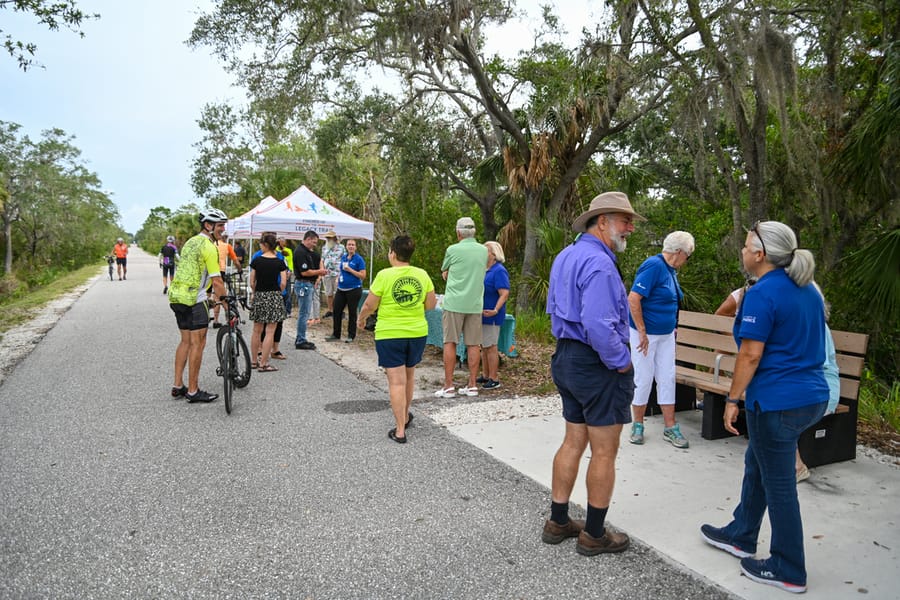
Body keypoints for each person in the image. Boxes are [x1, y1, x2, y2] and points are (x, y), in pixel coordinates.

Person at [700, 220, 828, 594]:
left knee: (779, 484)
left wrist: (732, 399)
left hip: (778, 402)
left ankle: (788, 567)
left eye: (745, 246)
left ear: (760, 254)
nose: (741, 251)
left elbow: (751, 355)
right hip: (809, 396)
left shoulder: (762, 293)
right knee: (757, 462)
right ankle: (741, 534)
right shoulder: (808, 290)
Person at [543, 191, 642, 556]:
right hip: (597, 364)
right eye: (624, 220)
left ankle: (558, 521)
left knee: (572, 440)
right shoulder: (600, 264)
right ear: (602, 222)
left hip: (567, 358)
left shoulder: (567, 255)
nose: (630, 228)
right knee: (604, 452)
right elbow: (599, 325)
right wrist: (621, 362)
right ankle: (594, 534)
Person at [357, 235, 436, 443]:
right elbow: (431, 305)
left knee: (396, 382)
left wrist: (361, 318)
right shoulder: (422, 274)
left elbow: (369, 305)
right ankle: (406, 415)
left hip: (390, 334)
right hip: (416, 333)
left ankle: (400, 430)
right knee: (409, 377)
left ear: (392, 253)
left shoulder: (384, 275)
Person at [628, 231, 695, 449]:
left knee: (667, 376)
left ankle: (670, 426)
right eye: (688, 255)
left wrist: (672, 326)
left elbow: (671, 300)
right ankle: (637, 423)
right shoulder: (654, 266)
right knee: (644, 377)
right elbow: (634, 298)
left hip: (665, 335)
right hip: (646, 335)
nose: (687, 260)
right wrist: (642, 332)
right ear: (679, 252)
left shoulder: (670, 270)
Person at [167, 208, 229, 403]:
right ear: (208, 226)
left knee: (185, 341)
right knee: (198, 344)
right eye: (220, 226)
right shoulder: (210, 247)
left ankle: (178, 386)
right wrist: (227, 305)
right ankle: (193, 391)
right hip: (194, 299)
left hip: (177, 297)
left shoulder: (190, 242)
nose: (223, 229)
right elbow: (217, 281)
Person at [434, 217, 489, 398]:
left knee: (450, 342)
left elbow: (444, 269)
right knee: (474, 344)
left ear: (458, 233)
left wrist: (448, 274)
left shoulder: (453, 249)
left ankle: (449, 386)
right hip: (474, 303)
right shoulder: (483, 251)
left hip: (454, 303)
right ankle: (472, 384)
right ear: (474, 232)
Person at [249, 232, 288, 372]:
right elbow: (283, 282)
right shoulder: (279, 261)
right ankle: (264, 363)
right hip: (274, 296)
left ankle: (253, 361)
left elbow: (252, 281)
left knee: (256, 330)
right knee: (270, 331)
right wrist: (277, 291)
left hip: (259, 295)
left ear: (265, 245)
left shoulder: (257, 260)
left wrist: (256, 291)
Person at [478, 240, 510, 390]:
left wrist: (496, 309)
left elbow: (504, 293)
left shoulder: (499, 271)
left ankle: (494, 377)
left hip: (492, 314)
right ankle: (485, 374)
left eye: (486, 251)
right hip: (482, 313)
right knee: (484, 346)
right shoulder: (484, 270)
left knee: (491, 346)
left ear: (494, 254)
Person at [293, 230, 327, 350]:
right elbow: (305, 272)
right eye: (313, 242)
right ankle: (300, 339)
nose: (314, 245)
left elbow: (320, 260)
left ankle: (301, 337)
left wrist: (319, 275)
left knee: (306, 312)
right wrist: (319, 272)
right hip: (303, 284)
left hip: (310, 284)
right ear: (307, 239)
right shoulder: (300, 252)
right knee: (304, 313)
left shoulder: (310, 252)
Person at [327, 239, 367, 343]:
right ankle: (336, 334)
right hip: (341, 288)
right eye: (349, 245)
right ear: (346, 246)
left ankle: (351, 335)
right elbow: (341, 270)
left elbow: (363, 276)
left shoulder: (359, 259)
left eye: (353, 245)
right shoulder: (344, 257)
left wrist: (350, 270)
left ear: (356, 247)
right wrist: (338, 278)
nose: (351, 247)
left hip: (354, 289)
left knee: (352, 312)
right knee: (336, 310)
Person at [211, 232, 241, 328]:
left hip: (208, 271)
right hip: (220, 271)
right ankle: (216, 320)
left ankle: (204, 318)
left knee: (207, 294)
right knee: (219, 296)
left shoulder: (211, 244)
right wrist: (239, 270)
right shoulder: (227, 246)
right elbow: (235, 261)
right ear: (226, 238)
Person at [321, 231, 345, 318]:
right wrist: (322, 270)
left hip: (337, 273)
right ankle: (330, 310)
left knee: (338, 293)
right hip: (327, 274)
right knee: (328, 293)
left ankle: (339, 310)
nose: (328, 240)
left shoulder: (341, 247)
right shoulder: (324, 248)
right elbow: (322, 259)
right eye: (327, 238)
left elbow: (344, 259)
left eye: (330, 238)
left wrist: (343, 272)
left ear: (334, 238)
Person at [276, 237, 294, 318]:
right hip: (278, 272)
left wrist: (290, 271)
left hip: (287, 271)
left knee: (288, 291)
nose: (282, 243)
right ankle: (280, 309)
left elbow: (290, 261)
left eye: (284, 241)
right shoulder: (275, 250)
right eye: (281, 241)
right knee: (280, 290)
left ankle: (288, 310)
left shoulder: (288, 250)